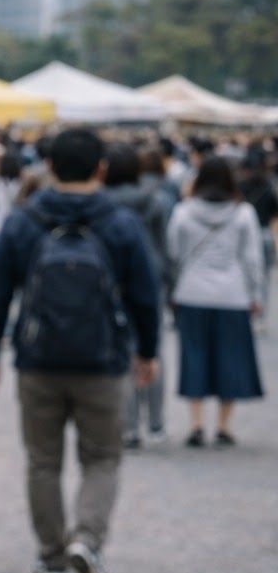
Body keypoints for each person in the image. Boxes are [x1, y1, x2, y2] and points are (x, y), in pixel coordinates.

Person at [0, 129, 161, 573]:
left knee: (43, 460)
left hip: (38, 358)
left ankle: (51, 554)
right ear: (101, 168)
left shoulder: (24, 221)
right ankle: (87, 538)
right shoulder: (120, 224)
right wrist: (147, 350)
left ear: (49, 166)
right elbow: (146, 294)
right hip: (104, 359)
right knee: (102, 457)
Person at [168, 158, 266, 447]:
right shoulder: (243, 212)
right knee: (230, 358)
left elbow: (173, 252)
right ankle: (224, 425)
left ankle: (196, 423)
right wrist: (256, 294)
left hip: (192, 290)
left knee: (194, 355)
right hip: (232, 293)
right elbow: (252, 258)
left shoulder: (183, 211)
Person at [102, 144, 169, 449]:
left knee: (122, 351)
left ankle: (129, 427)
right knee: (152, 351)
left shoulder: (101, 204)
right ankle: (156, 423)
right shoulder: (154, 200)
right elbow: (163, 246)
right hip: (151, 277)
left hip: (112, 280)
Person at [238, 152, 278, 330]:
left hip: (244, 234)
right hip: (264, 233)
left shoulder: (240, 188)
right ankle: (260, 315)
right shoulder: (269, 187)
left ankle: (247, 309)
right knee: (264, 278)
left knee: (243, 274)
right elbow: (274, 217)